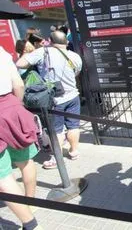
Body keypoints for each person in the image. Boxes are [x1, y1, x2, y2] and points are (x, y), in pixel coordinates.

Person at [16, 31, 83, 169]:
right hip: (73, 95)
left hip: (54, 99)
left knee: (56, 130)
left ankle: (56, 158)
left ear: (50, 41)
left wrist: (28, 52)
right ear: (66, 42)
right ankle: (74, 151)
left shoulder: (43, 52)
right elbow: (77, 72)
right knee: (74, 125)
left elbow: (20, 63)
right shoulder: (74, 56)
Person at [0, 47, 42, 230]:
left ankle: (31, 225)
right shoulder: (1, 51)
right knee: (25, 160)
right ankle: (30, 202)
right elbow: (18, 84)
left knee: (2, 175)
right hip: (11, 106)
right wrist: (16, 105)